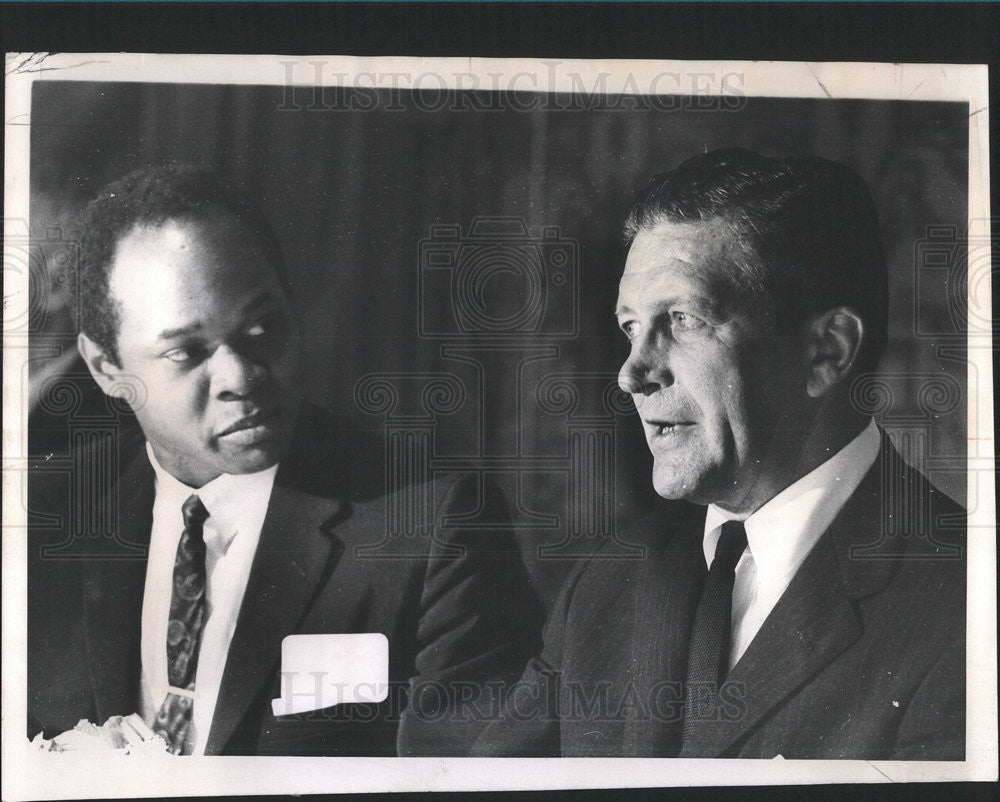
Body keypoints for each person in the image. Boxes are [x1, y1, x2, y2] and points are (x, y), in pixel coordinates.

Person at [27, 165, 540, 756]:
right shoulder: (41, 515)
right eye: (186, 353)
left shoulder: (432, 522)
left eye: (261, 327)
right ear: (106, 367)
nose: (242, 377)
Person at [471, 148, 965, 760]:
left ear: (826, 353)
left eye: (683, 319)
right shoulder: (606, 584)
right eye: (631, 326)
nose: (632, 374)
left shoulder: (969, 607)